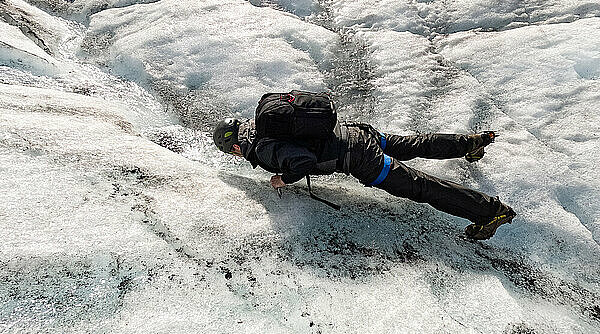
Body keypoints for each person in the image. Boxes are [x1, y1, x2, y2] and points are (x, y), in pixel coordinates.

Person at [213, 117, 515, 240]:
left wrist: (283, 178)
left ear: (236, 147)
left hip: (360, 159)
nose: (237, 157)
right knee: (415, 144)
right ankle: (470, 143)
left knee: (422, 187)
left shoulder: (263, 150)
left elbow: (302, 161)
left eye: (233, 153)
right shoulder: (262, 123)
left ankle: (490, 211)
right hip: (357, 133)